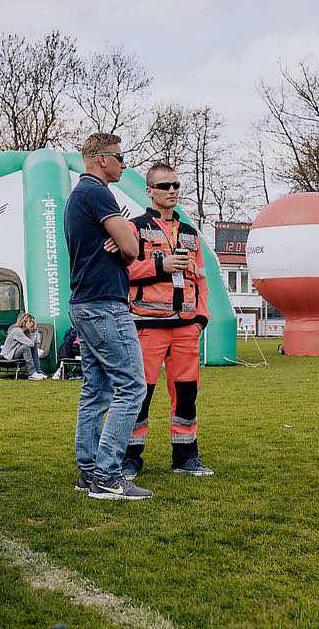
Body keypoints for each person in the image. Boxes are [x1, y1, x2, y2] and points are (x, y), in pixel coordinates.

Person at [64, 132, 151, 500]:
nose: (124, 165)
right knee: (132, 387)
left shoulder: (78, 195)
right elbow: (132, 249)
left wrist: (124, 237)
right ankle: (108, 476)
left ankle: (88, 472)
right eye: (120, 157)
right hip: (105, 305)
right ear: (102, 159)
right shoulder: (98, 193)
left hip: (85, 303)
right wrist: (126, 237)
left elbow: (127, 246)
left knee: (96, 390)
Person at [123, 162, 213, 478]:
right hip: (147, 325)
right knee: (141, 393)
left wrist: (200, 319)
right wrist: (160, 266)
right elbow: (123, 272)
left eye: (175, 185)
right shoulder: (134, 228)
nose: (172, 190)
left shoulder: (190, 233)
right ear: (149, 191)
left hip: (186, 327)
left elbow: (201, 279)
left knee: (187, 394)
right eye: (164, 186)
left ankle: (186, 457)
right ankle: (130, 458)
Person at [0, 313, 46, 380]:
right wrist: (33, 332)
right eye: (30, 322)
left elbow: (36, 343)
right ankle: (32, 373)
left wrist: (35, 330)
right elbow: (31, 344)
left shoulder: (25, 332)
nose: (32, 324)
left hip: (15, 352)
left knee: (32, 347)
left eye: (33, 322)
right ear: (24, 322)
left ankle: (38, 371)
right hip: (8, 355)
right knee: (25, 347)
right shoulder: (17, 331)